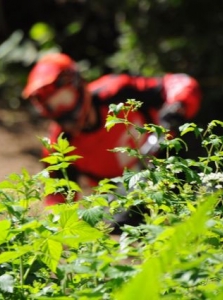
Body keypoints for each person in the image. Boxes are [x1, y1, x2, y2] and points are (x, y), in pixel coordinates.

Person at [22, 52, 201, 229]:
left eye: (64, 100)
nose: (62, 111)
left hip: (171, 164)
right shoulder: (59, 145)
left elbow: (180, 83)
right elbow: (57, 198)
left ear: (77, 85)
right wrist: (62, 227)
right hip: (123, 202)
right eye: (52, 106)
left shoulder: (116, 92)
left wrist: (177, 106)